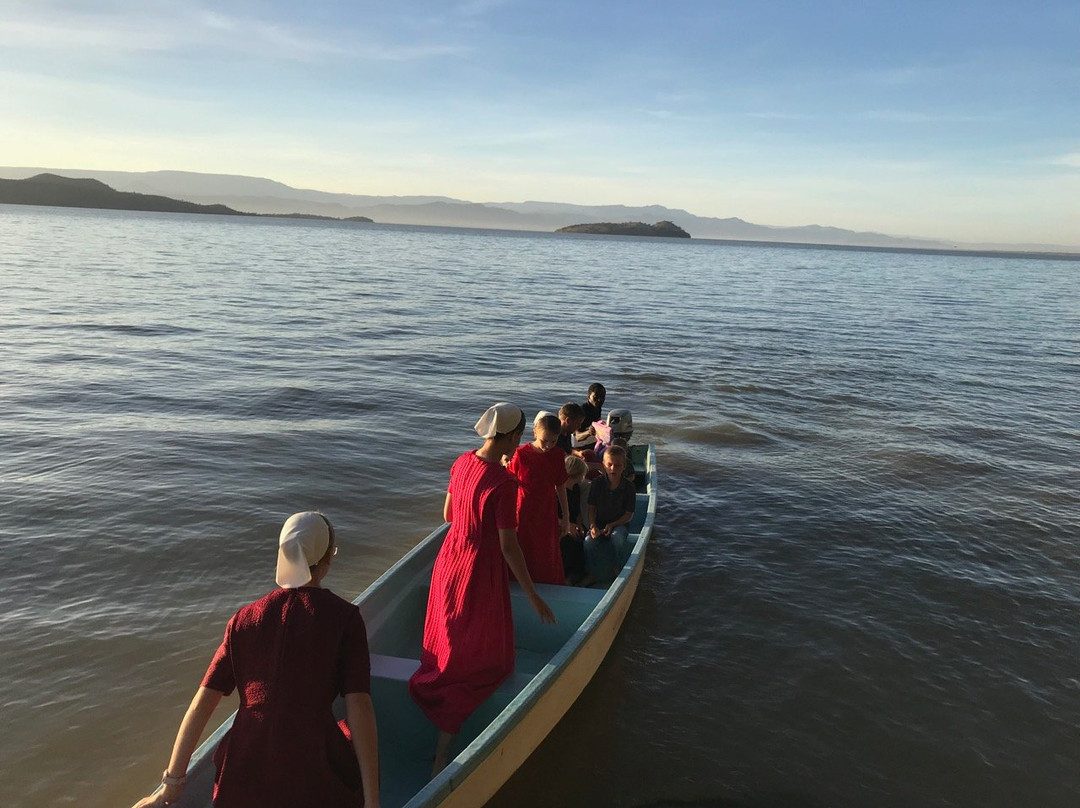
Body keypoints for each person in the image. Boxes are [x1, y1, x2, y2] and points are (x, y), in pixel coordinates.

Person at [131, 512, 380, 808]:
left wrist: (170, 787)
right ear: (328, 560)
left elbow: (202, 703)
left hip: (242, 773)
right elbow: (359, 706)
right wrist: (372, 800)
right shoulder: (344, 619)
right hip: (311, 773)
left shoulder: (243, 620)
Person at [409, 403, 556, 777]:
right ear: (509, 436)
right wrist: (534, 595)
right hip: (477, 569)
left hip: (450, 560)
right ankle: (443, 752)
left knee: (451, 643)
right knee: (473, 663)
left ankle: (435, 727)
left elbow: (447, 515)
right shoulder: (504, 483)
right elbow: (509, 547)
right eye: (520, 434)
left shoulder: (461, 463)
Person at [508, 413, 571, 584]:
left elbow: (561, 486)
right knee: (524, 549)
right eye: (545, 441)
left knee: (546, 553)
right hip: (523, 512)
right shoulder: (520, 455)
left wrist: (566, 517)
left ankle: (547, 588)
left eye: (553, 441)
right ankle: (521, 584)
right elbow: (509, 485)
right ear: (535, 432)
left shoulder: (557, 455)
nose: (548, 446)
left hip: (546, 512)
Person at [584, 444, 637, 585]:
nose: (613, 468)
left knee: (617, 538)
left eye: (618, 465)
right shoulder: (597, 483)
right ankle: (592, 573)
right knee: (588, 542)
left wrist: (613, 525)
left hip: (619, 524)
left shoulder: (629, 487)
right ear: (603, 465)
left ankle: (617, 566)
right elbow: (591, 508)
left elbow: (628, 514)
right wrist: (593, 525)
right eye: (610, 464)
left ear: (624, 466)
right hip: (599, 523)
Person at [560, 454, 590, 584]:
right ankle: (567, 578)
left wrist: (578, 524)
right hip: (559, 524)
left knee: (584, 540)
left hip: (572, 524)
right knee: (569, 544)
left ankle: (579, 576)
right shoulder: (558, 490)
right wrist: (566, 525)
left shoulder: (576, 488)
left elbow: (576, 512)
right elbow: (548, 514)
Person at [572, 383, 606, 450]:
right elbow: (577, 437)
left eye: (602, 397)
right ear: (588, 396)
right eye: (596, 397)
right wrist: (589, 432)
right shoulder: (582, 411)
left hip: (591, 443)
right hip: (577, 447)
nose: (599, 400)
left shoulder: (597, 408)